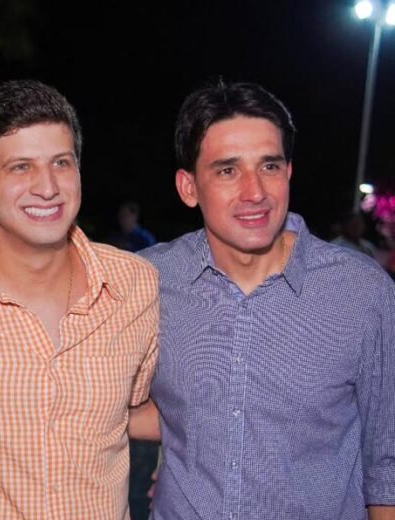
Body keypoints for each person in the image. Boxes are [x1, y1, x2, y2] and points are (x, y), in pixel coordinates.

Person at [140, 81, 395, 518]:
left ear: (289, 172)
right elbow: (99, 399)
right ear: (188, 187)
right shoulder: (147, 281)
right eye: (227, 170)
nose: (255, 192)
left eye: (269, 166)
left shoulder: (362, 292)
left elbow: (386, 462)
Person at [0, 79, 160, 519]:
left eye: (61, 163)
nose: (48, 187)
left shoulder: (135, 284)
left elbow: (139, 412)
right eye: (21, 167)